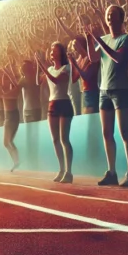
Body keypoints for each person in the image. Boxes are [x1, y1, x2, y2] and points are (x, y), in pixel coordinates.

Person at [89, 5, 128, 187]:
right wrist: (90, 39)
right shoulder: (102, 39)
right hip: (104, 91)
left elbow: (118, 58)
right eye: (107, 15)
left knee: (124, 131)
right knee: (106, 133)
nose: (109, 17)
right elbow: (93, 59)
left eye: (113, 15)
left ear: (120, 18)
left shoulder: (126, 39)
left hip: (121, 90)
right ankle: (112, 172)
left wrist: (98, 41)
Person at [35, 43, 74, 183]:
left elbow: (57, 81)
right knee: (55, 140)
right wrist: (39, 65)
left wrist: (41, 65)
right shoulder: (50, 68)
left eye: (55, 50)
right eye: (51, 50)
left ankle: (69, 172)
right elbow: (38, 82)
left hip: (64, 103)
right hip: (52, 105)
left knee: (64, 139)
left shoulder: (66, 68)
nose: (52, 52)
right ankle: (61, 169)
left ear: (61, 53)